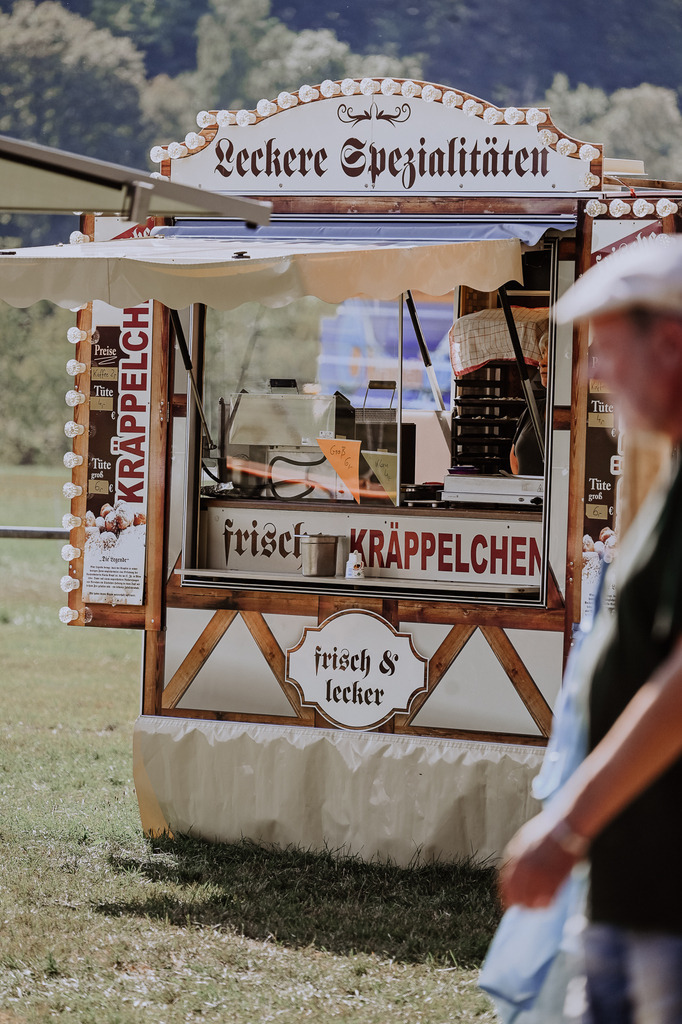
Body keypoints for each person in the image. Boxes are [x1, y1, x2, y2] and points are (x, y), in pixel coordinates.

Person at [498, 234, 682, 1024]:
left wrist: (570, 825)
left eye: (606, 349)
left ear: (669, 342)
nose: (593, 373)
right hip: (633, 899)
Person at [509, 332, 548, 476]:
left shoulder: (576, 413)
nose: (542, 362)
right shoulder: (532, 409)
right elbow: (514, 458)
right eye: (543, 354)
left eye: (551, 355)